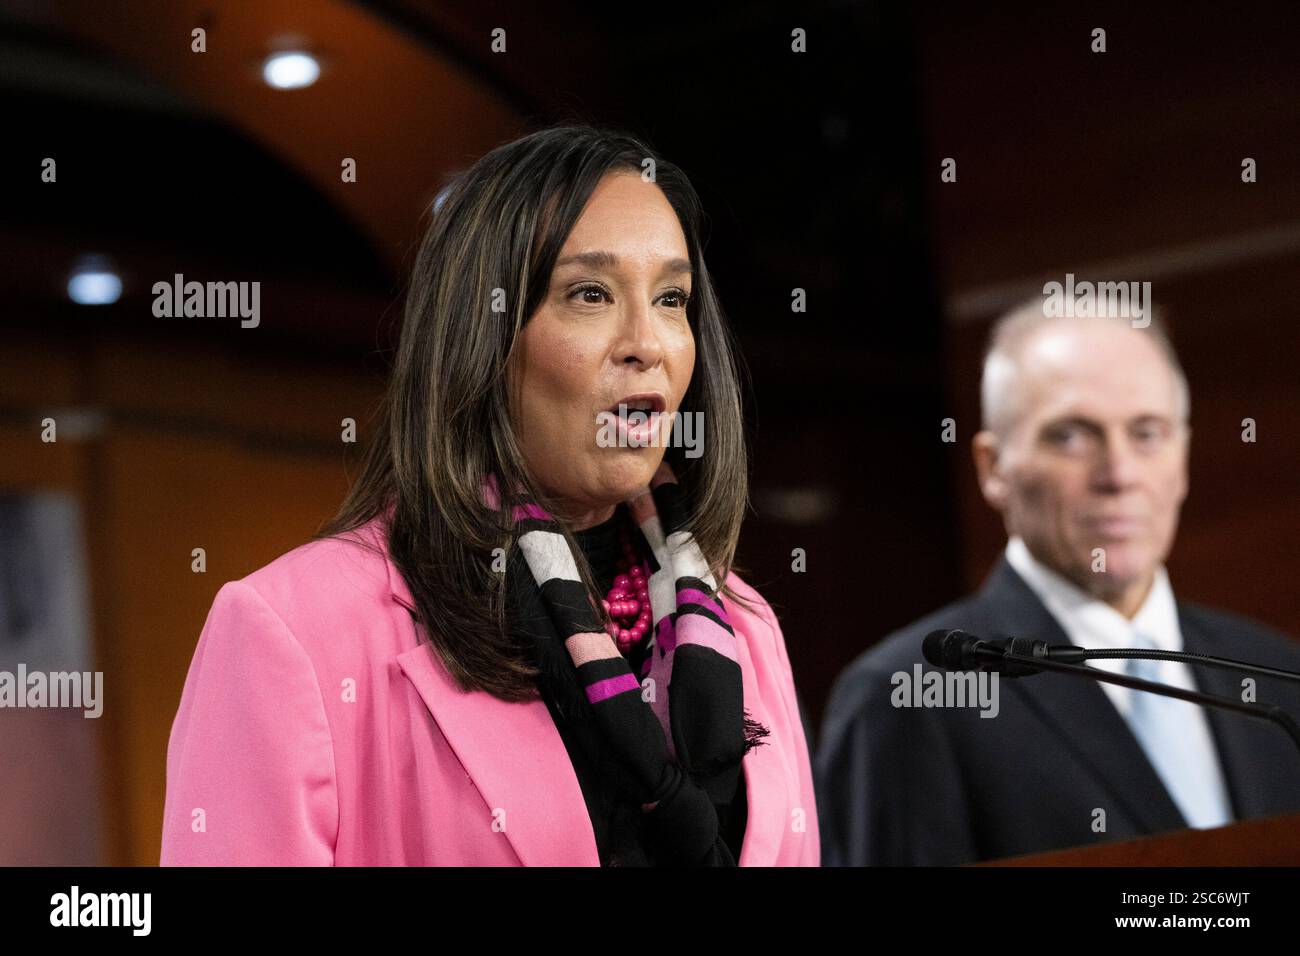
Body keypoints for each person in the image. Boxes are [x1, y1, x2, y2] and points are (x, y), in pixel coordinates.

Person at [160, 125, 818, 866]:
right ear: (484, 335)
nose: (649, 342)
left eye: (672, 298)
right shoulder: (293, 631)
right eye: (591, 293)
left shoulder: (744, 627)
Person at [816, 300, 1300, 865]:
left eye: (1147, 433)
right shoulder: (907, 695)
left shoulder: (1275, 676)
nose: (1119, 474)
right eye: (1071, 436)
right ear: (993, 468)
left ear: (1183, 457)